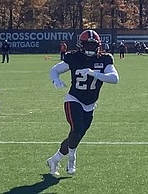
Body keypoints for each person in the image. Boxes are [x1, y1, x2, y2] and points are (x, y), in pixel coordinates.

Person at [46, 29, 120, 176]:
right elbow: (55, 70)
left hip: (90, 103)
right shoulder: (75, 58)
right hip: (74, 99)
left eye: (94, 45)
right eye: (89, 45)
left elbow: (114, 78)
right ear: (82, 45)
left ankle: (55, 159)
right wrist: (56, 79)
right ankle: (72, 159)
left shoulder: (104, 59)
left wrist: (95, 73)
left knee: (76, 134)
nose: (92, 48)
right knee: (77, 128)